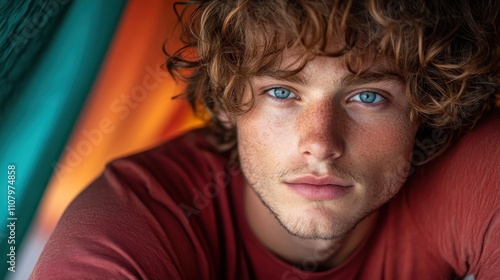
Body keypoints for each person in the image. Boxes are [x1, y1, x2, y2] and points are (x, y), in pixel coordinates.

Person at [31, 0, 499, 279]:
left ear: (427, 106)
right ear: (226, 100)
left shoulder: (472, 171)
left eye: (368, 96)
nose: (320, 143)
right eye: (281, 92)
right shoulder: (126, 228)